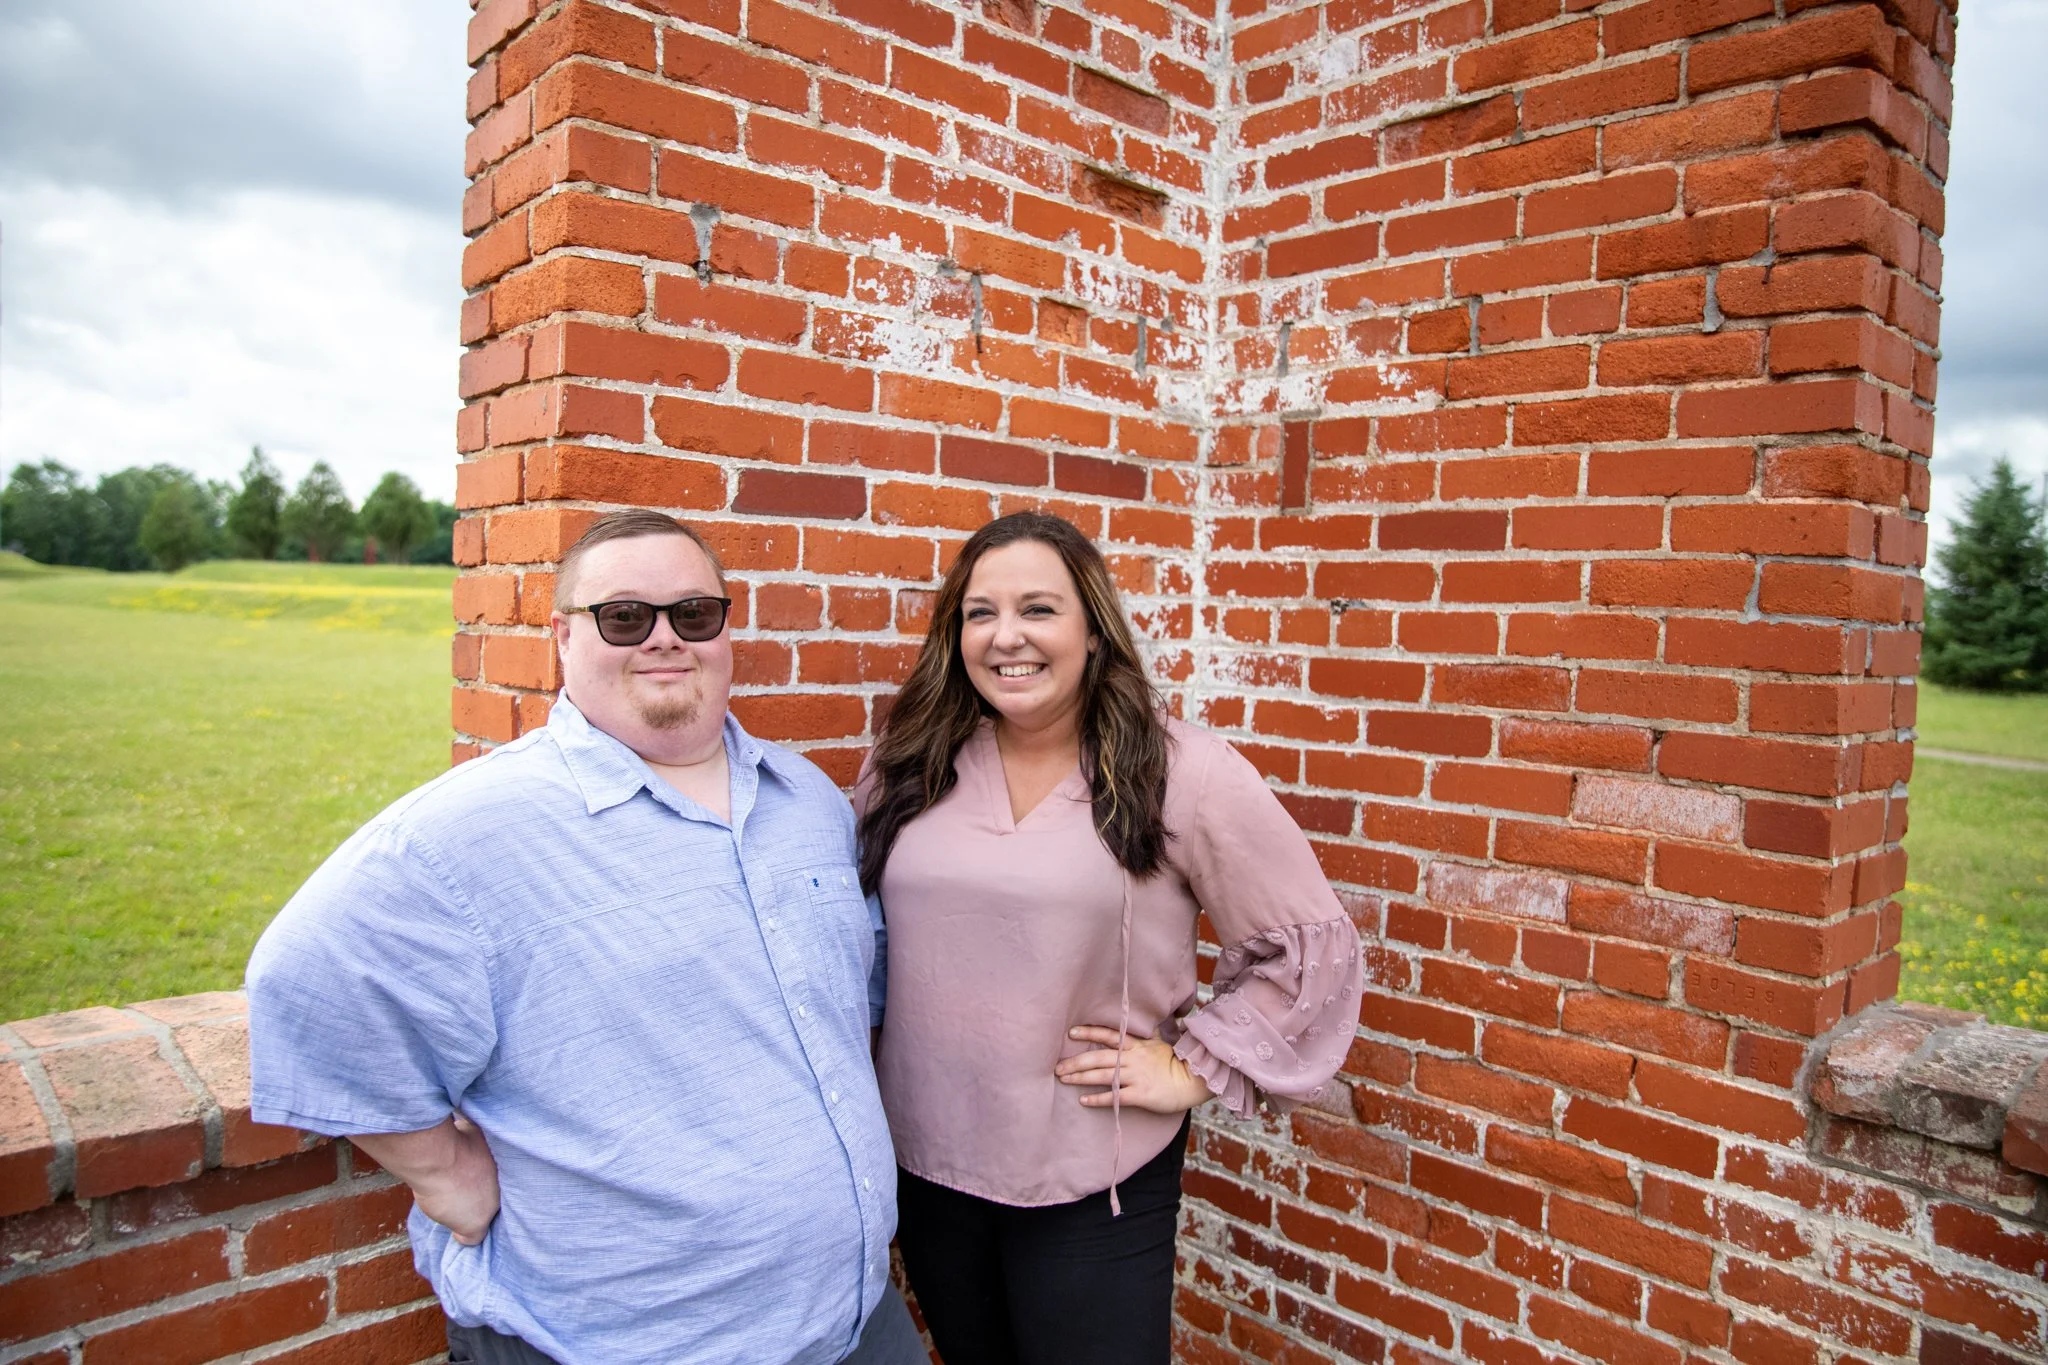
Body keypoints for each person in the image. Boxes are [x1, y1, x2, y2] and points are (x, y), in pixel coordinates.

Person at [246, 509, 924, 1365]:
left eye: (694, 614)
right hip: (614, 1342)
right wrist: (443, 1173)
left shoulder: (806, 800)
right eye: (625, 617)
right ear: (562, 637)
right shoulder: (474, 832)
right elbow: (304, 980)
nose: (664, 639)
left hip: (851, 1319)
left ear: (724, 628)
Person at [857, 510, 1366, 1364]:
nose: (1006, 635)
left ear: (1094, 630)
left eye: (1038, 609)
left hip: (1096, 1175)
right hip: (926, 1162)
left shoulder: (1180, 772)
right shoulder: (909, 761)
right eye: (979, 612)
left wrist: (1189, 1067)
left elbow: (1308, 947)